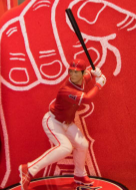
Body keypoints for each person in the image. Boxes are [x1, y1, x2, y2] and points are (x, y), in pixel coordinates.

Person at [19, 59, 107, 189]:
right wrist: (99, 84)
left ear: (82, 74)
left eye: (76, 72)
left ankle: (79, 174)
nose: (72, 75)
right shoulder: (66, 89)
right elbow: (87, 98)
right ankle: (29, 168)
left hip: (67, 122)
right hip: (53, 121)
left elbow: (88, 74)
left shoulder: (83, 78)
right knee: (65, 147)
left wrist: (94, 72)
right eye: (71, 71)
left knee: (82, 145)